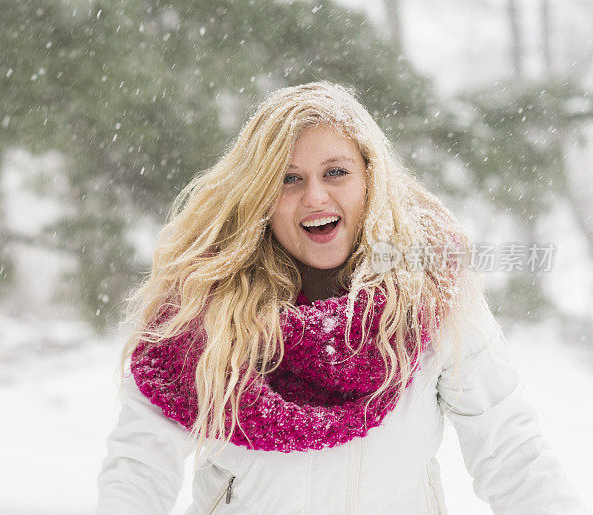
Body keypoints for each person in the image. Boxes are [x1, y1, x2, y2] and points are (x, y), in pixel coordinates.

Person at [95, 81, 587, 514]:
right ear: (259, 195)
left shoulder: (430, 295)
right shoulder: (203, 305)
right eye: (289, 179)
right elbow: (140, 465)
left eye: (335, 172)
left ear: (370, 180)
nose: (315, 197)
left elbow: (511, 452)